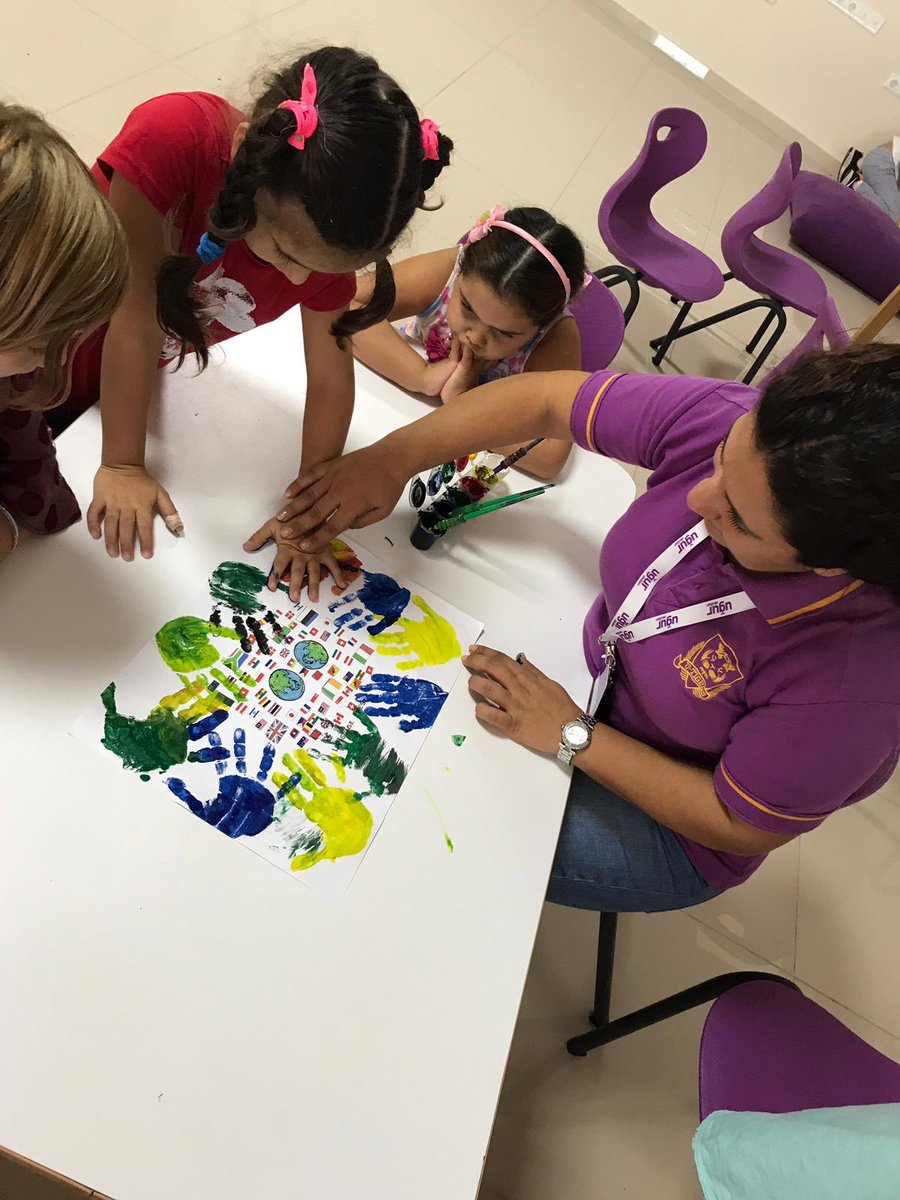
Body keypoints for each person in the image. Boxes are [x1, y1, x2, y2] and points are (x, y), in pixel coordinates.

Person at [269, 345, 900, 912]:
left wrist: (573, 734)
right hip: (597, 671)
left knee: (414, 823)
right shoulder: (748, 430)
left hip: (672, 824)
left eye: (737, 519)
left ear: (825, 564)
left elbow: (736, 822)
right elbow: (545, 400)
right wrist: (390, 461)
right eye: (718, 460)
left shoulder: (857, 684)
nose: (696, 499)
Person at [55, 47, 452, 600]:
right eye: (286, 254)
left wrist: (307, 520)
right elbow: (134, 318)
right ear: (246, 153)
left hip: (116, 392)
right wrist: (122, 464)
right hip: (43, 345)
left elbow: (331, 380)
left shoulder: (320, 236)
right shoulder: (173, 137)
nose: (297, 281)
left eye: (322, 271)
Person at [351, 205, 588, 479]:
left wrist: (465, 405)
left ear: (541, 326)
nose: (475, 337)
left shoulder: (556, 337)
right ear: (460, 274)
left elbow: (549, 457)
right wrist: (421, 376)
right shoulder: (448, 269)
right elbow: (345, 302)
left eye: (504, 333)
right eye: (467, 308)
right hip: (383, 415)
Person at [0, 103, 128, 566]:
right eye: (37, 344)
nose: (46, 362)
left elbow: (30, 474)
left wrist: (12, 526)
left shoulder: (9, 381)